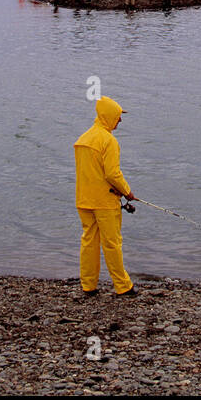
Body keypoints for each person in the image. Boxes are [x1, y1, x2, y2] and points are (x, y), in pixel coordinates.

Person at [73, 96, 138, 297]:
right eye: (118, 116)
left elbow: (91, 172)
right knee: (112, 244)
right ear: (109, 116)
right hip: (104, 201)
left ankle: (88, 285)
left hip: (84, 200)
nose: (120, 120)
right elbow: (112, 174)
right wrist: (127, 192)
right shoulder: (108, 140)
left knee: (89, 242)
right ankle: (123, 286)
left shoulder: (82, 139)